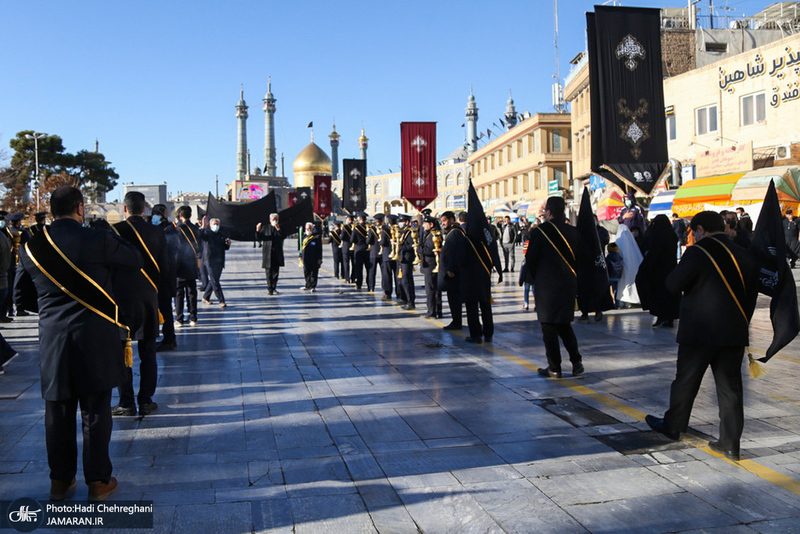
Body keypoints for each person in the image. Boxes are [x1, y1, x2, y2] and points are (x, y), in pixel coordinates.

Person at [14, 185, 142, 501]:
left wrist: (52, 308)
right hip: (96, 339)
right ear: (81, 208)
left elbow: (21, 296)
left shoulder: (31, 247)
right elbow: (135, 259)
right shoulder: (98, 239)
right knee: (96, 411)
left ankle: (60, 481)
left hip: (53, 340)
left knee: (57, 411)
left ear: (51, 209)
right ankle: (98, 482)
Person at [646, 211, 759, 461]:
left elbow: (673, 284)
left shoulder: (697, 252)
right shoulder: (743, 253)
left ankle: (674, 426)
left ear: (699, 230)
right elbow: (751, 296)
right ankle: (730, 444)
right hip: (733, 333)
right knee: (730, 389)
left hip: (699, 331)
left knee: (686, 381)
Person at [111, 191, 167, 417]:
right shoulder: (157, 232)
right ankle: (145, 400)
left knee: (122, 351)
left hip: (120, 300)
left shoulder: (113, 232)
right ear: (144, 209)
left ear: (125, 209)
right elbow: (165, 267)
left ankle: (126, 402)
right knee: (148, 352)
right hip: (148, 297)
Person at [526, 196, 583, 378]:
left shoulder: (540, 232)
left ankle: (554, 367)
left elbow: (531, 259)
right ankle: (576, 362)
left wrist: (534, 279)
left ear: (548, 212)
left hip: (546, 286)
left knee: (548, 326)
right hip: (568, 284)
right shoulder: (574, 232)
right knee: (565, 324)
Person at [636, 214, 680, 328]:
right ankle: (669, 319)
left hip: (657, 272)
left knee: (659, 295)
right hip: (670, 270)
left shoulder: (657, 237)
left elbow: (652, 252)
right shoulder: (672, 235)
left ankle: (661, 317)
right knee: (669, 296)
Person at [152, 204, 180, 352]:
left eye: (157, 213)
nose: (155, 216)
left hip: (165, 274)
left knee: (165, 309)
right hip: (159, 275)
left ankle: (169, 339)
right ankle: (168, 337)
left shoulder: (169, 229)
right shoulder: (156, 229)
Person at [175, 206, 201, 326]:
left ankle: (179, 318)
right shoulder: (195, 228)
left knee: (179, 293)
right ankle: (193, 317)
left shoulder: (178, 229)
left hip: (180, 265)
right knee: (192, 292)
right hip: (192, 264)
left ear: (180, 215)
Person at [438, 211, 464, 330]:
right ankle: (456, 320)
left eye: (445, 221)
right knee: (453, 297)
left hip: (453, 273)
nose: (443, 223)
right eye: (442, 221)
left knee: (454, 298)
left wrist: (450, 269)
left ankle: (456, 321)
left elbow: (454, 252)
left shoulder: (454, 233)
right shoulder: (453, 232)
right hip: (452, 271)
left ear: (452, 220)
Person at [200, 217, 231, 306]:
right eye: (214, 224)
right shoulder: (207, 233)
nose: (216, 226)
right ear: (210, 225)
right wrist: (203, 226)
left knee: (214, 280)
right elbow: (200, 235)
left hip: (219, 261)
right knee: (215, 281)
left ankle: (205, 297)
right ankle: (221, 300)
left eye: (217, 224)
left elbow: (223, 247)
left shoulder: (221, 234)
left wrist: (227, 245)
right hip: (210, 261)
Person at [419, 216, 442, 319]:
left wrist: (418, 248)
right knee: (435, 290)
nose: (423, 225)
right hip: (431, 265)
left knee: (431, 290)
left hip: (430, 265)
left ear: (431, 224)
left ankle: (432, 311)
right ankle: (438, 310)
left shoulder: (433, 235)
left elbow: (429, 250)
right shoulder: (431, 234)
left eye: (425, 223)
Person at [256, 213, 285, 295]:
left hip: (277, 253)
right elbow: (259, 238)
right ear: (270, 220)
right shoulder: (265, 227)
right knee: (268, 272)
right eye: (273, 219)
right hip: (267, 253)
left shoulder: (280, 227)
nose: (274, 221)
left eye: (276, 219)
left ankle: (274, 287)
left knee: (275, 272)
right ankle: (270, 289)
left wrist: (278, 229)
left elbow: (283, 236)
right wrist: (257, 230)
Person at [396, 214, 416, 310]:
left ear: (407, 222)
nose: (401, 223)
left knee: (406, 281)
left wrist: (400, 247)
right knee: (404, 280)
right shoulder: (404, 231)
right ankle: (406, 299)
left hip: (407, 258)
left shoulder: (410, 232)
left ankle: (410, 301)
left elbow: (411, 246)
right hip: (403, 258)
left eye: (402, 221)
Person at [380, 214, 399, 300]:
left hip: (387, 255)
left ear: (388, 222)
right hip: (397, 255)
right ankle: (399, 293)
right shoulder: (399, 230)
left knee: (387, 275)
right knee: (397, 275)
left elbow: (383, 242)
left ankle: (387, 293)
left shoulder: (385, 230)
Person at [300, 222, 323, 292]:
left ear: (312, 229)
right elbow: (301, 247)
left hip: (314, 258)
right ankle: (307, 285)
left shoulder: (316, 237)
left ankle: (313, 286)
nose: (308, 230)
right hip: (305, 258)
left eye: (309, 228)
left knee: (314, 272)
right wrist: (300, 255)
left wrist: (320, 258)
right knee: (306, 271)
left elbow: (319, 249)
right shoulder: (304, 237)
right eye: (307, 228)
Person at [350, 212, 369, 290]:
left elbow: (352, 240)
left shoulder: (356, 228)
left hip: (358, 249)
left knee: (359, 268)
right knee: (368, 269)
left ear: (360, 219)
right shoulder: (369, 227)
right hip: (368, 249)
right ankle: (369, 284)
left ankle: (359, 284)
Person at [366, 214, 384, 292]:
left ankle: (371, 287)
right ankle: (384, 288)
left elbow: (368, 241)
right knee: (384, 273)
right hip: (382, 253)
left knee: (372, 272)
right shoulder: (385, 229)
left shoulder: (371, 230)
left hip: (373, 253)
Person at [606, 243, 624, 308]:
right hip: (617, 275)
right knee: (615, 289)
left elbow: (607, 265)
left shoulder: (608, 257)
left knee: (607, 289)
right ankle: (617, 303)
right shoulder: (619, 257)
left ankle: (609, 303)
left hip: (610, 275)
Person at [340, 215, 354, 284]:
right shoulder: (355, 227)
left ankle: (347, 278)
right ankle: (353, 278)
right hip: (353, 246)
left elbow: (342, 237)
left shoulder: (345, 227)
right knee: (354, 263)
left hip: (346, 246)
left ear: (348, 220)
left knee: (346, 263)